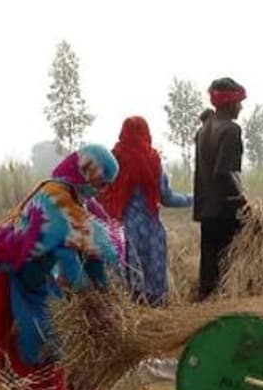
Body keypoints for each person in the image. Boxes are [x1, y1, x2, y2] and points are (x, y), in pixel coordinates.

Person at [0, 144, 121, 390]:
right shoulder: (55, 199)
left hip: (32, 278)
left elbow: (91, 257)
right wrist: (93, 302)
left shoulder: (77, 203)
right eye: (101, 183)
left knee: (45, 340)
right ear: (86, 172)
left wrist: (107, 297)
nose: (102, 190)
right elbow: (69, 258)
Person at [101, 116, 193, 306]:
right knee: (153, 290)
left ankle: (127, 314)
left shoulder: (113, 160)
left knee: (125, 286)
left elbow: (101, 194)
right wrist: (194, 198)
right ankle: (154, 314)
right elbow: (167, 198)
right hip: (150, 232)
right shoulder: (152, 162)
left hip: (121, 232)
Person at [194, 77, 248, 301]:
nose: (241, 107)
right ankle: (224, 308)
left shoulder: (203, 130)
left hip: (207, 209)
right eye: (239, 103)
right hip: (225, 210)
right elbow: (225, 171)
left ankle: (205, 305)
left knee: (209, 266)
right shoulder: (231, 130)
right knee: (227, 267)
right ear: (229, 103)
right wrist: (244, 200)